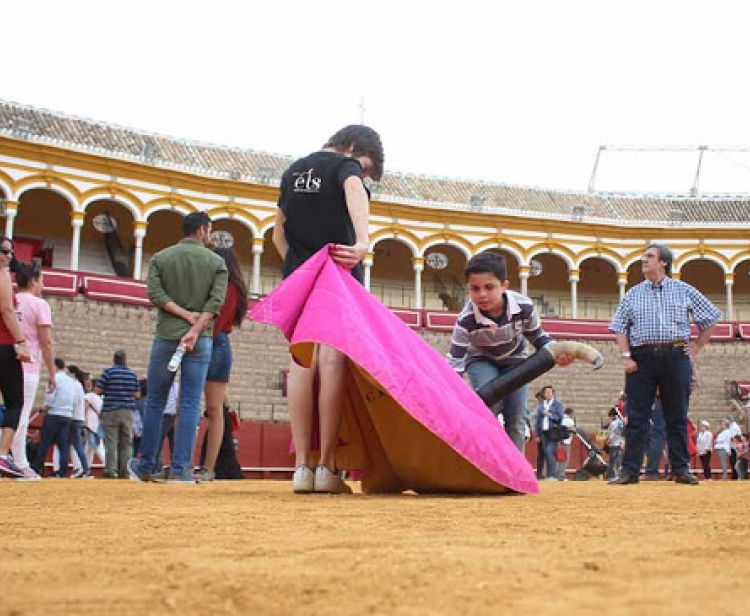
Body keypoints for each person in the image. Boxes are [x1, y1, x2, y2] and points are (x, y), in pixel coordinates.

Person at [272, 125, 384, 494]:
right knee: (332, 359)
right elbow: (354, 189)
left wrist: (296, 271)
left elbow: (278, 234)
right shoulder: (345, 168)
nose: (363, 176)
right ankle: (327, 467)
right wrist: (364, 241)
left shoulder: (293, 172)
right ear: (352, 148)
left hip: (301, 275)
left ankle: (302, 468)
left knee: (301, 361)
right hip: (336, 274)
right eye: (365, 168)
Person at [609, 243, 720, 486]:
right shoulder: (632, 293)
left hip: (675, 354)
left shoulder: (683, 290)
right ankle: (630, 471)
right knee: (637, 416)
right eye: (643, 256)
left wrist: (697, 346)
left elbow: (711, 316)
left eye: (649, 256)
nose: (643, 260)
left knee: (677, 415)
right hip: (642, 357)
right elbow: (619, 327)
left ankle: (680, 469)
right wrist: (626, 355)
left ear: (663, 263)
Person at [129, 211, 228, 484]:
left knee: (156, 402)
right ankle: (181, 469)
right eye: (209, 230)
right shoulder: (216, 262)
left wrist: (184, 316)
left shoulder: (161, 258)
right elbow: (216, 302)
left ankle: (146, 464)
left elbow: (156, 295)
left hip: (167, 335)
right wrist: (195, 327)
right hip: (200, 339)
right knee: (189, 403)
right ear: (201, 230)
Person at [448, 251, 572, 453]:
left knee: (516, 418)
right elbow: (455, 362)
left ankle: (515, 475)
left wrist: (558, 353)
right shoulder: (466, 319)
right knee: (486, 409)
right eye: (475, 289)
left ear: (504, 285)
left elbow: (538, 338)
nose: (482, 295)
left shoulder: (524, 307)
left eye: (489, 287)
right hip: (481, 359)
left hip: (515, 360)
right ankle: (484, 463)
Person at [194, 246, 248, 483]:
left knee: (198, 407)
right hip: (220, 344)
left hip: (211, 341)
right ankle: (208, 468)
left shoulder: (224, 287)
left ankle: (200, 466)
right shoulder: (234, 288)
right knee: (215, 412)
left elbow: (215, 323)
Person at [11, 262, 55, 481]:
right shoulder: (40, 305)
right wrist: (52, 372)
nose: (43, 285)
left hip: (7, 360)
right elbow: (46, 343)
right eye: (41, 280)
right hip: (28, 366)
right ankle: (19, 463)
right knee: (20, 414)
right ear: (33, 280)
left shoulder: (11, 300)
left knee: (10, 413)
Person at [0, 234, 32, 477]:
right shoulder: (1, 274)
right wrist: (21, 342)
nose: (9, 256)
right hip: (3, 344)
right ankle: (2, 454)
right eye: (4, 251)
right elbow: (7, 310)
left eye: (10, 252)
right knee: (14, 402)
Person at [32, 357, 82, 478]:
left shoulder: (53, 378)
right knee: (63, 445)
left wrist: (46, 408)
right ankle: (63, 471)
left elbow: (50, 396)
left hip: (54, 414)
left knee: (45, 442)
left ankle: (36, 468)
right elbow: (75, 400)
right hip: (67, 415)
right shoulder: (71, 381)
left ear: (55, 366)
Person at [96, 349, 140, 478]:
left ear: (114, 359)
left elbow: (98, 390)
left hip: (111, 410)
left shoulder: (108, 372)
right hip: (128, 411)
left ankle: (111, 470)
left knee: (111, 441)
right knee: (127, 442)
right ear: (125, 360)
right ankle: (125, 471)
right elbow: (137, 394)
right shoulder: (132, 374)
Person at [533, 385, 566, 480]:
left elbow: (560, 418)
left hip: (553, 432)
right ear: (544, 394)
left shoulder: (557, 404)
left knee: (549, 452)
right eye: (546, 392)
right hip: (543, 432)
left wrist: (550, 415)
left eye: (550, 392)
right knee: (546, 453)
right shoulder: (541, 406)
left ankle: (552, 475)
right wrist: (538, 435)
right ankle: (549, 475)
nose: (548, 393)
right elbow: (538, 422)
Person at [83, 373, 105, 468]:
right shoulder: (101, 398)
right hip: (98, 425)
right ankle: (85, 468)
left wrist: (82, 421)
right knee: (89, 448)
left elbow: (84, 409)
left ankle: (108, 465)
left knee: (97, 446)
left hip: (90, 425)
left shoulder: (89, 396)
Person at [643, 395, 666, 480]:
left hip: (660, 399)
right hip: (675, 398)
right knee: (675, 433)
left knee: (657, 436)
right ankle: (678, 470)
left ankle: (651, 471)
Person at [605, 407, 625, 480]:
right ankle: (617, 474)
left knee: (613, 460)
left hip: (614, 443)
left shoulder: (613, 423)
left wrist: (609, 440)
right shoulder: (621, 422)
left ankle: (613, 475)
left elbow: (612, 434)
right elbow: (623, 433)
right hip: (619, 443)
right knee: (618, 460)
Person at [557, 407, 575, 480]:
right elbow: (573, 429)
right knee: (565, 459)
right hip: (566, 442)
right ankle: (561, 475)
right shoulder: (569, 420)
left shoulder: (560, 419)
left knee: (559, 458)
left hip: (559, 441)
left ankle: (558, 475)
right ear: (570, 414)